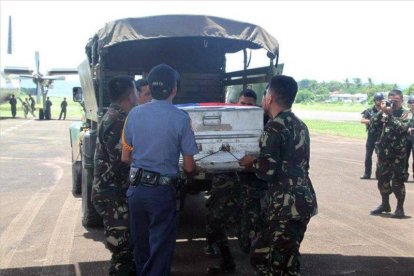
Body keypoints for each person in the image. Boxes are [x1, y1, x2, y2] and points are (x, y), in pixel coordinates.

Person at [121, 64, 199, 276]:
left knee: (142, 248)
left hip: (136, 191)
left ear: (150, 89)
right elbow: (190, 166)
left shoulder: (133, 115)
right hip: (162, 194)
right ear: (174, 89)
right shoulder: (181, 118)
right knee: (160, 251)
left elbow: (125, 156)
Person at [239, 75, 318, 275]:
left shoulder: (274, 127)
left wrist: (251, 162)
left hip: (286, 206)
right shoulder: (300, 125)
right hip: (302, 200)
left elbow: (267, 172)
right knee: (263, 255)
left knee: (278, 264)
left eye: (265, 94)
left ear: (270, 97)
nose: (263, 98)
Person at [91, 76, 140, 276]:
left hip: (114, 192)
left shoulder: (114, 115)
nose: (138, 95)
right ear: (130, 95)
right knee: (122, 252)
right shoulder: (118, 120)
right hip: (112, 194)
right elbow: (123, 158)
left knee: (125, 252)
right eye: (136, 91)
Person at [370, 90, 411, 218]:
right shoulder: (384, 113)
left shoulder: (406, 114)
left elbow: (402, 128)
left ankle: (400, 208)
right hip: (383, 153)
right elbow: (373, 123)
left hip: (398, 154)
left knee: (397, 182)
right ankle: (385, 204)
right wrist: (382, 111)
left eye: (396, 101)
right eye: (390, 101)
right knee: (382, 179)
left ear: (402, 101)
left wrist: (390, 115)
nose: (393, 104)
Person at [360, 92, 384, 179]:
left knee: (380, 156)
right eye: (377, 100)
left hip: (381, 136)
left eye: (380, 100)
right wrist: (371, 121)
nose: (379, 102)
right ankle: (367, 174)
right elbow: (362, 120)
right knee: (368, 156)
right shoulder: (369, 111)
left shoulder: (385, 111)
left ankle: (379, 174)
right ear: (374, 101)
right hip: (371, 136)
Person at [403, 95, 414, 181]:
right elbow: (401, 123)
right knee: (405, 157)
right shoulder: (406, 113)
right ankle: (404, 175)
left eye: (413, 102)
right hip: (407, 138)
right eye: (410, 102)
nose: (412, 104)